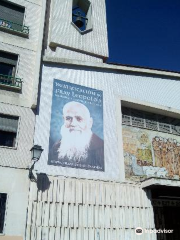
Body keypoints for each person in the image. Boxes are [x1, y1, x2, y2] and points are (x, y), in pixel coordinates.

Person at [48, 101, 104, 171]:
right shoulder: (56, 148)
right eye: (68, 118)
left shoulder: (101, 148)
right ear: (64, 120)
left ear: (89, 123)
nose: (73, 124)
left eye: (79, 119)